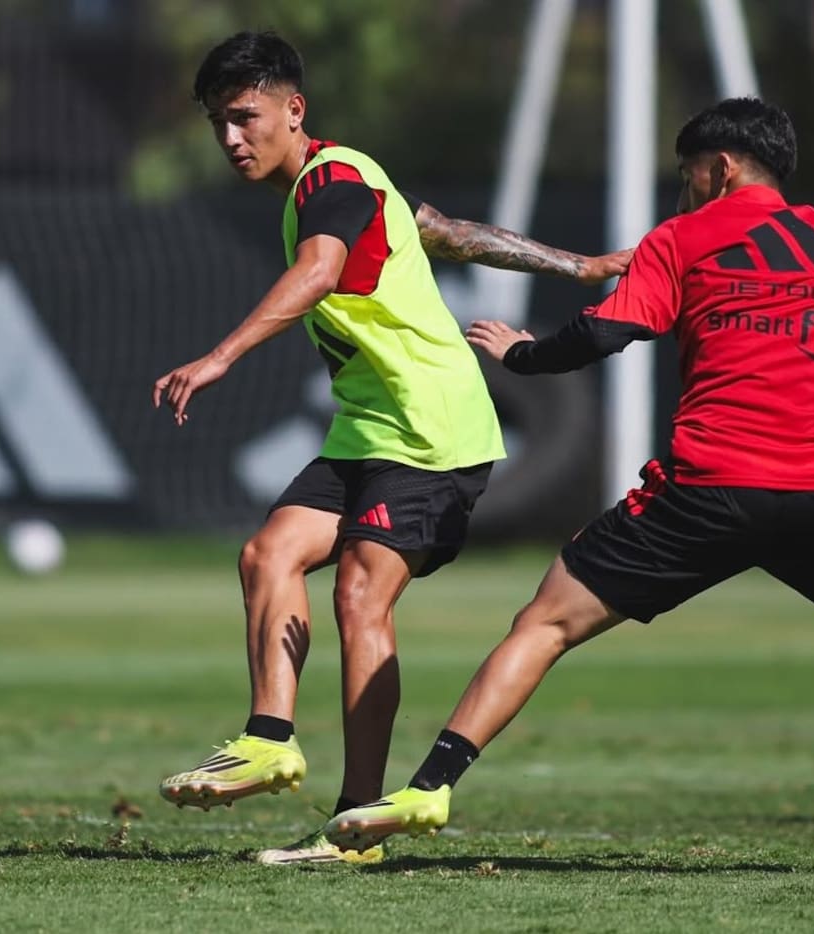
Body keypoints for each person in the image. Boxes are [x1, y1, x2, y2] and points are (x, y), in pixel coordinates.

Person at [325, 97, 814, 879]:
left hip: (703, 490)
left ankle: (430, 790)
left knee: (545, 624)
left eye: (687, 173)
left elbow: (605, 333)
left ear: (718, 169)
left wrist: (522, 357)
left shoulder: (683, 236)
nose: (682, 188)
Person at [151, 30, 633, 866]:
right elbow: (445, 231)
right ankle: (270, 737)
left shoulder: (331, 180)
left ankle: (357, 825)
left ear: (293, 111)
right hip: (369, 431)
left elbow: (319, 271)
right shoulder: (347, 178)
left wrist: (220, 355)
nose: (231, 139)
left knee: (359, 593)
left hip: (432, 432)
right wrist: (577, 264)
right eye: (217, 124)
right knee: (268, 555)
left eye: (244, 118)